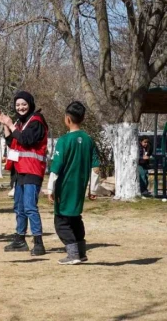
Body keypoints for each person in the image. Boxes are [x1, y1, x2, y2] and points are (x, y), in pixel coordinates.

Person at [45, 101, 101, 265]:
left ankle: (73, 254)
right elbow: (96, 167)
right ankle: (82, 252)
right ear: (82, 118)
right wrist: (94, 189)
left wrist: (50, 188)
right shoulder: (89, 140)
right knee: (75, 217)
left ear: (67, 119)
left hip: (65, 187)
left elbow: (56, 167)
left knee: (61, 221)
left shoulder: (63, 141)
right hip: (80, 187)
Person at [0, 91, 48, 256]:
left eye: (24, 104)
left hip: (32, 170)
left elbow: (26, 139)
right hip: (19, 171)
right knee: (19, 207)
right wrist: (5, 124)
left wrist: (11, 125)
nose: (21, 107)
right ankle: (20, 239)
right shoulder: (19, 122)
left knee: (30, 207)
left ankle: (38, 243)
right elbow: (12, 141)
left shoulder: (37, 121)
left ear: (30, 104)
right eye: (18, 105)